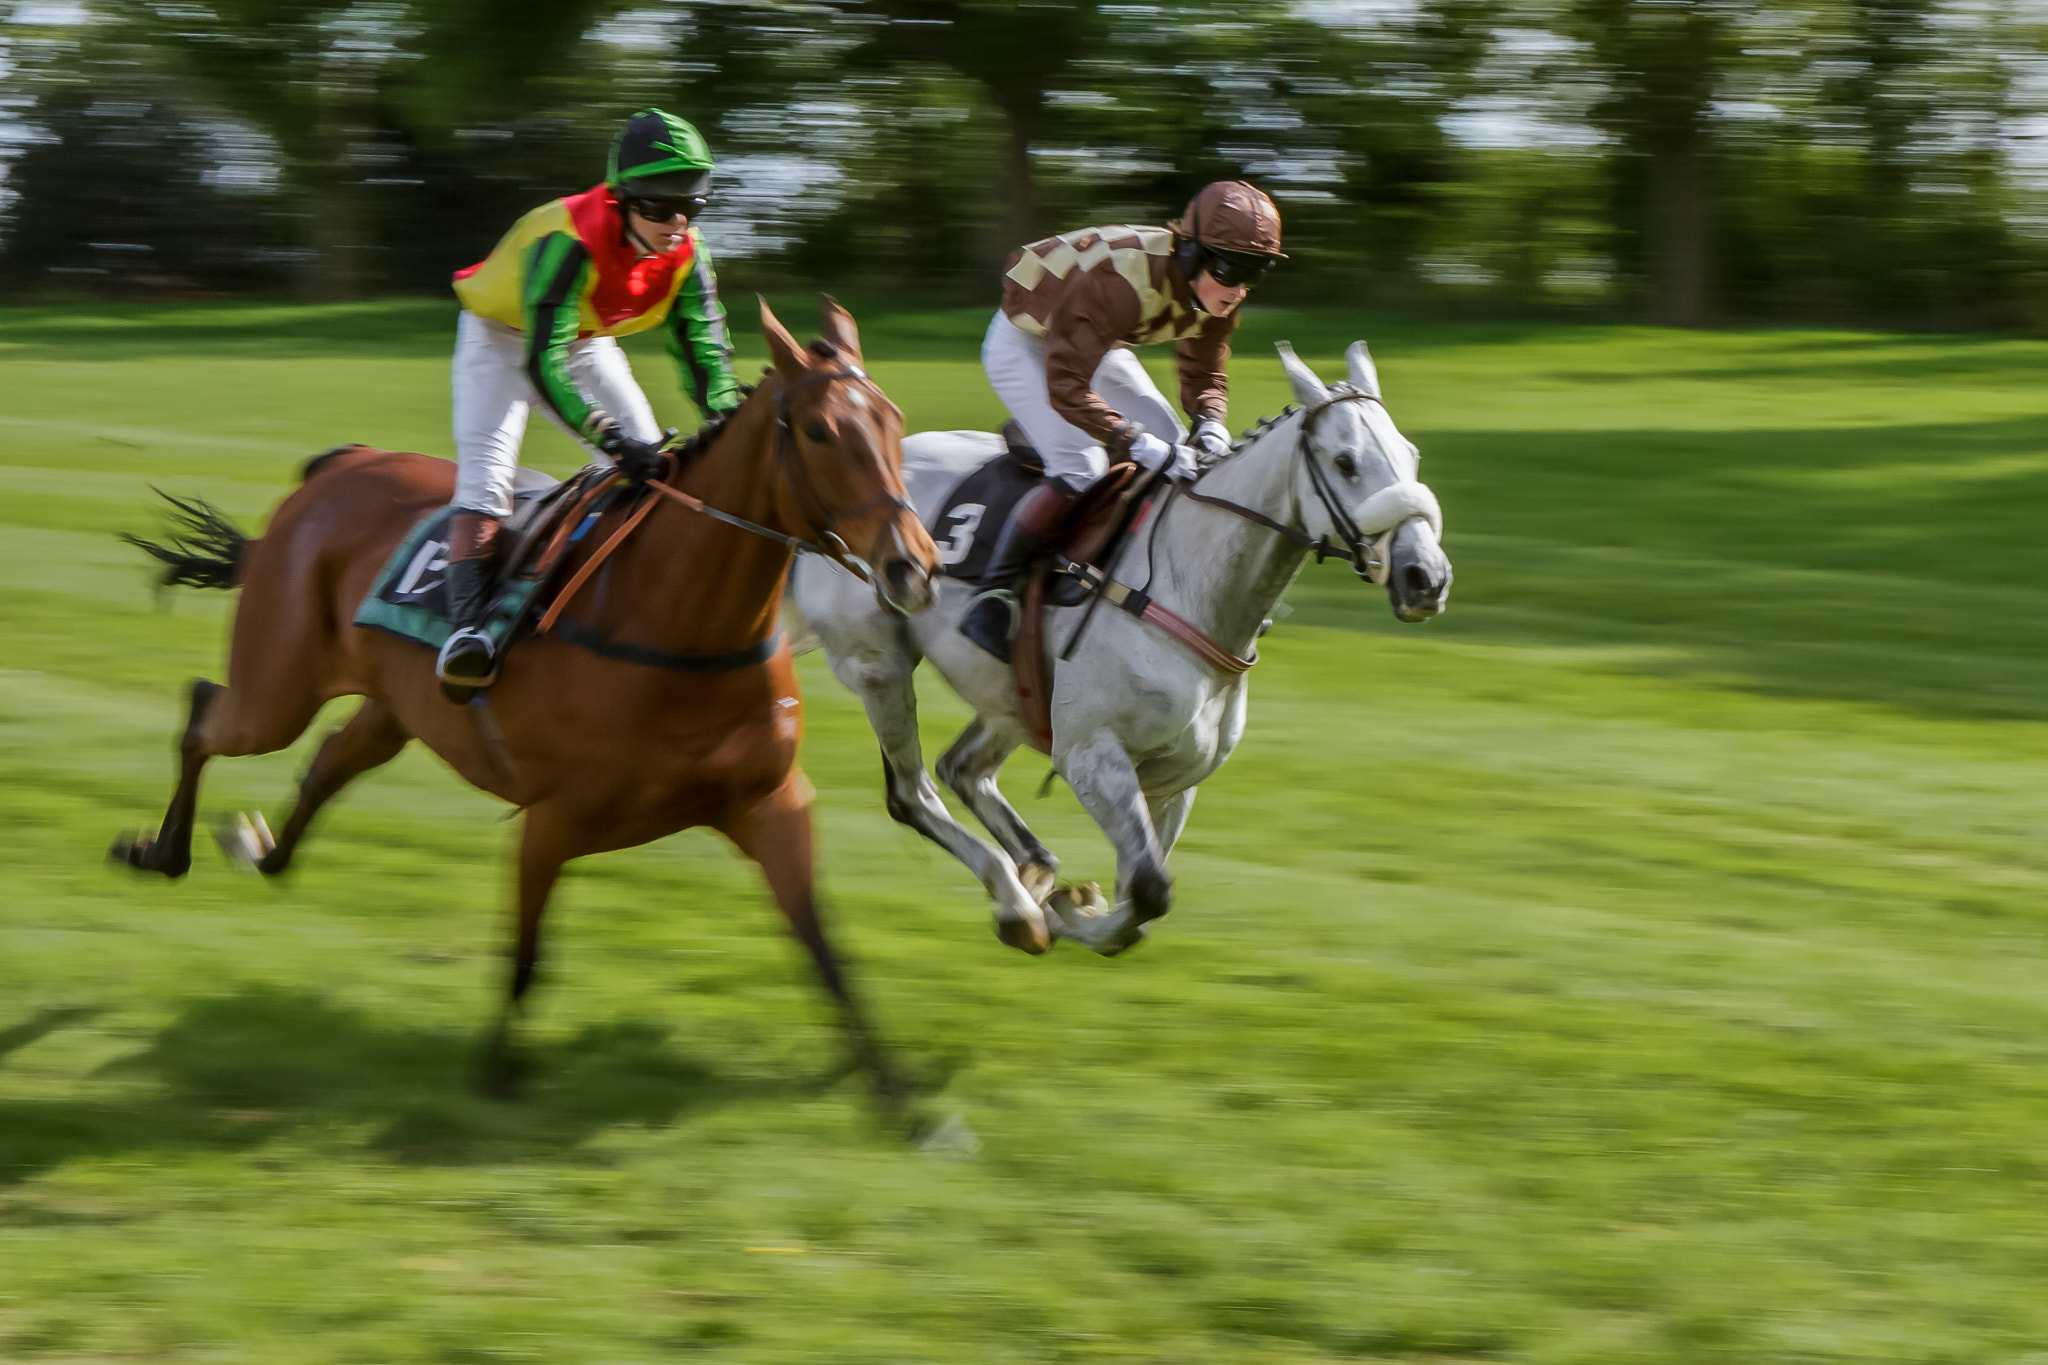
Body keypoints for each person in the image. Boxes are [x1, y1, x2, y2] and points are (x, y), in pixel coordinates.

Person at [435, 108, 744, 690]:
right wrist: (606, 436)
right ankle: (468, 633)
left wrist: (729, 413)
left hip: (584, 335)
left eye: (691, 206)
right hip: (503, 338)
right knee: (487, 480)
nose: (675, 222)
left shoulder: (687, 252)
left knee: (652, 466)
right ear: (620, 200)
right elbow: (540, 362)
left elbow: (703, 342)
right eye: (657, 207)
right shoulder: (567, 238)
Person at [960, 180, 1286, 662]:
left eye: (1254, 274)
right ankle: (993, 594)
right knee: (1083, 464)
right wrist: (1133, 441)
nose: (1239, 288)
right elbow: (1067, 387)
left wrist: (1211, 421)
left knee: (1179, 445)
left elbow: (1205, 371)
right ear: (1191, 254)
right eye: (1229, 268)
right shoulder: (1120, 282)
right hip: (1025, 342)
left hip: (1095, 340)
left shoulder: (1218, 295)